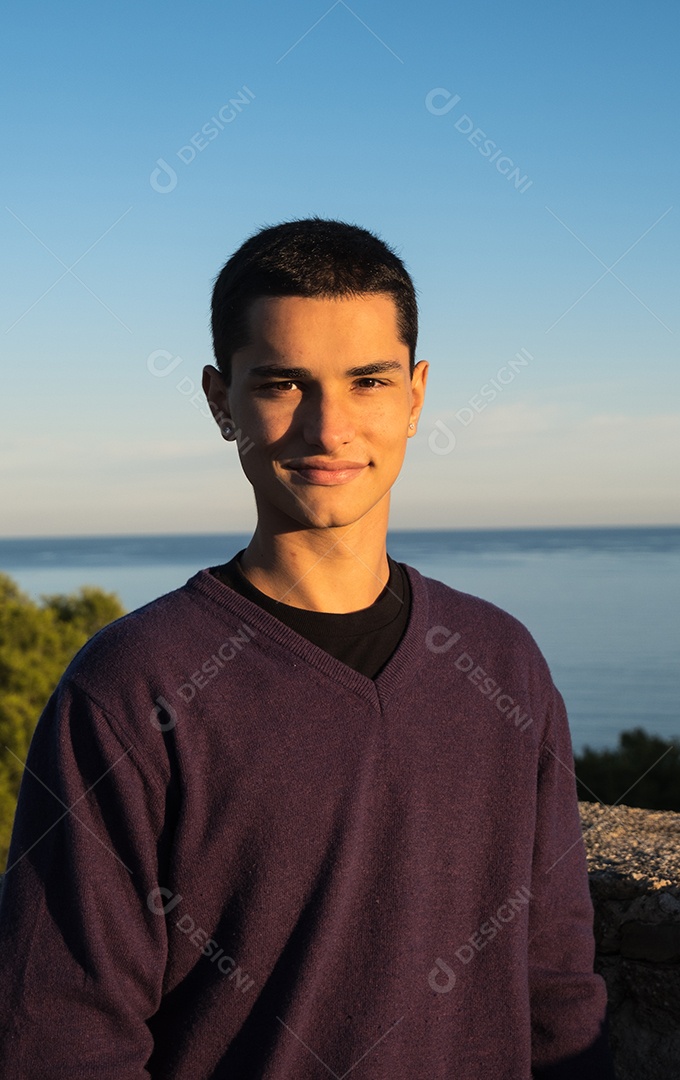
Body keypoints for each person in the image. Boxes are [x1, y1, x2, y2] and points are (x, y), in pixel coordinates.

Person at [0, 218, 617, 1078]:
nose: (329, 429)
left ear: (416, 397)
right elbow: (62, 1034)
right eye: (284, 383)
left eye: (369, 381)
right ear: (222, 401)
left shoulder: (502, 662)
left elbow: (556, 985)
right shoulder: (132, 686)